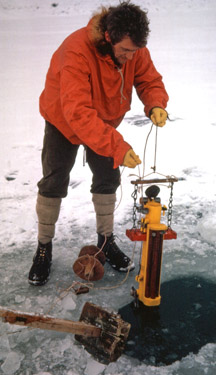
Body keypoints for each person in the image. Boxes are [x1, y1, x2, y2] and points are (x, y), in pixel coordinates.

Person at [28, 1, 169, 286]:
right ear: (108, 37)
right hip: (64, 121)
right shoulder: (76, 51)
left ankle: (106, 242)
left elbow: (148, 78)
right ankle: (44, 247)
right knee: (54, 181)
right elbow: (77, 112)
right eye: (126, 51)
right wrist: (117, 146)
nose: (131, 57)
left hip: (104, 120)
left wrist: (155, 103)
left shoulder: (134, 49)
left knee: (108, 179)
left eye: (136, 51)